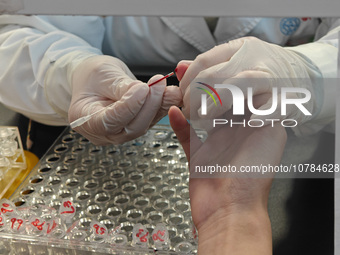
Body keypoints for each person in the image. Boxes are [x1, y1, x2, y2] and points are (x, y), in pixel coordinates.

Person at [0, 15, 338, 146]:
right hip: (96, 149)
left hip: (289, 136)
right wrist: (70, 73)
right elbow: (17, 29)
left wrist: (309, 73)